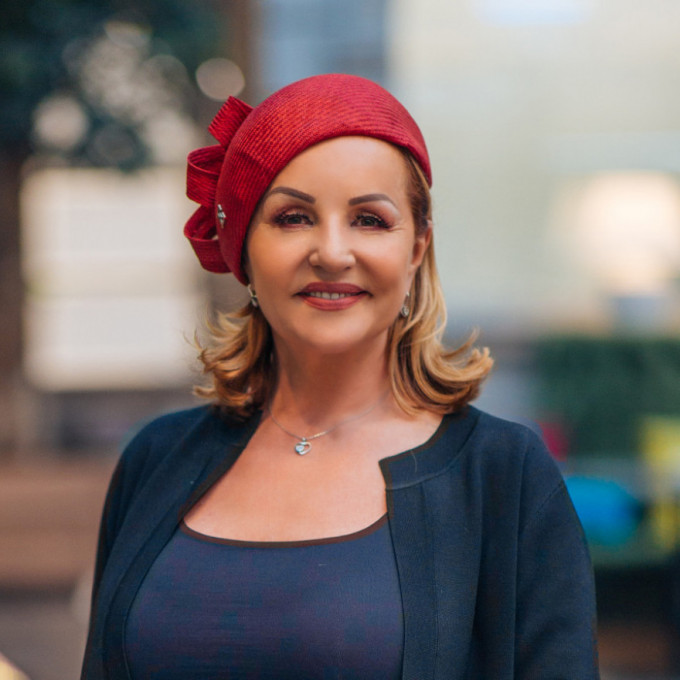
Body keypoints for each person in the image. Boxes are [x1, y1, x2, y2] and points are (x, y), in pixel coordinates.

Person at [81, 74, 599, 679]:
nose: (331, 252)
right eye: (293, 217)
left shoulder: (504, 475)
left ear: (416, 248)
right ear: (242, 247)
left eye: (370, 220)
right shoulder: (156, 458)